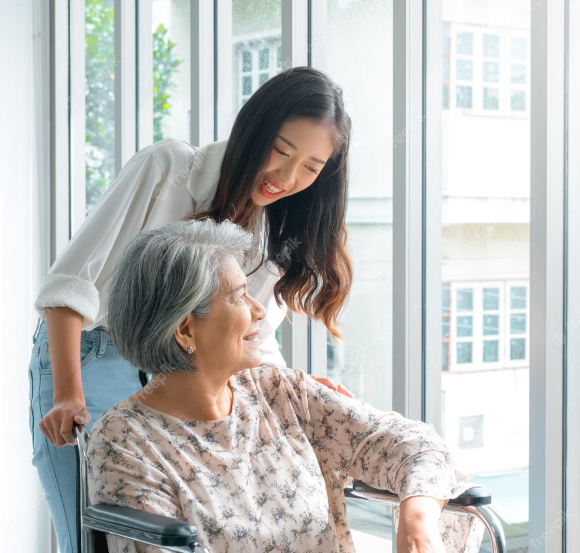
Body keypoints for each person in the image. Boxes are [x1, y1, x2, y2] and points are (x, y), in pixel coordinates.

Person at [29, 66, 355, 553]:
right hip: (94, 355)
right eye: (281, 150)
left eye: (310, 167)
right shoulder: (168, 168)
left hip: (187, 380)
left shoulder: (270, 233)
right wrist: (66, 394)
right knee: (97, 536)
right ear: (253, 129)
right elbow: (70, 286)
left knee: (187, 533)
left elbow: (254, 339)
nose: (286, 178)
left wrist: (296, 392)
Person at [87, 218, 482, 553]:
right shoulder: (125, 442)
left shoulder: (279, 392)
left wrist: (416, 520)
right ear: (186, 328)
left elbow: (414, 443)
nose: (259, 310)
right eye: (241, 296)